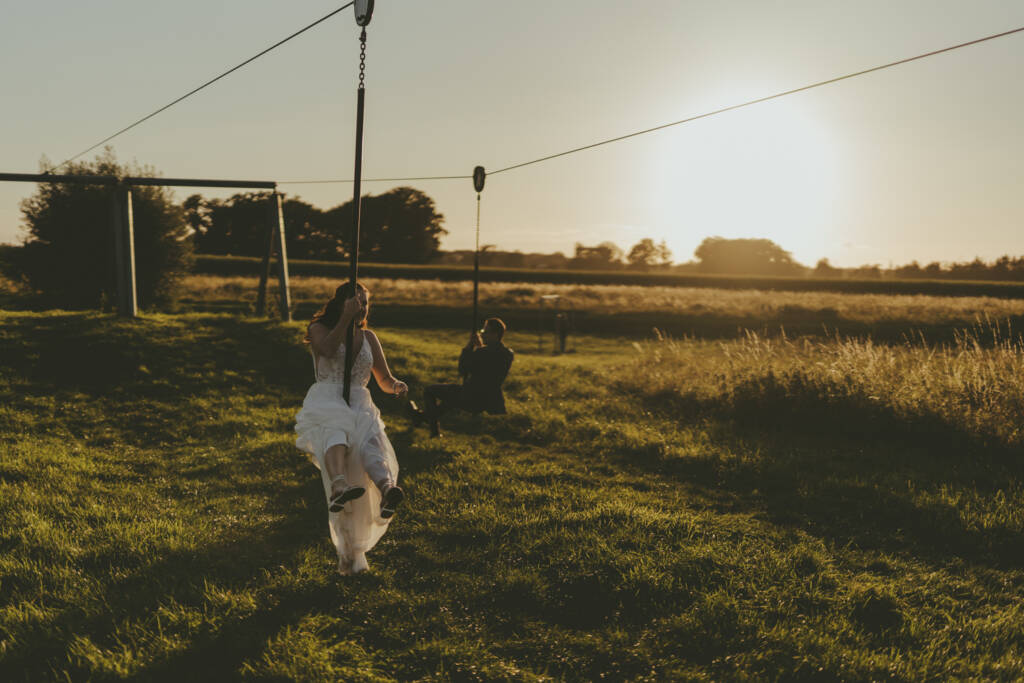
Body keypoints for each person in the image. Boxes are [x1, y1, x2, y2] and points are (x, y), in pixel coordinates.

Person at [295, 281, 407, 575]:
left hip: (360, 401)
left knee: (373, 446)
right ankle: (339, 485)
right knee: (337, 433)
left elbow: (383, 378)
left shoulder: (369, 337)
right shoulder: (319, 328)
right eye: (357, 302)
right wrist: (344, 319)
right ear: (343, 304)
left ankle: (387, 491)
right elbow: (328, 350)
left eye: (365, 302)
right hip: (329, 396)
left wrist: (395, 386)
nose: (362, 307)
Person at [412, 317, 514, 437]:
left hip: (470, 396)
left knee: (429, 390)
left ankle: (433, 431)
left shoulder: (482, 353)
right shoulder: (508, 354)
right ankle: (420, 417)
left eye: (485, 331)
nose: (482, 334)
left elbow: (463, 369)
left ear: (494, 334)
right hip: (491, 399)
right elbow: (488, 363)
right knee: (449, 400)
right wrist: (479, 349)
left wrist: (469, 347)